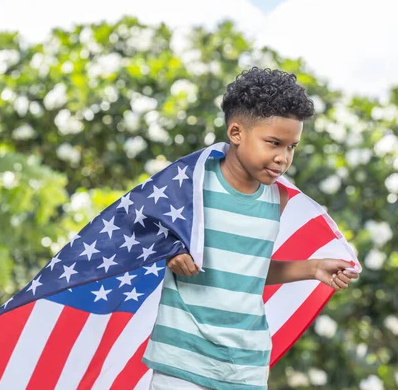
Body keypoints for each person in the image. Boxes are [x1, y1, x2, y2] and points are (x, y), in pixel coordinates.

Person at [143, 67, 359, 389]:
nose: (282, 158)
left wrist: (313, 268)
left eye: (291, 147)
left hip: (246, 368)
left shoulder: (278, 199)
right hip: (182, 361)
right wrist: (170, 252)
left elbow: (247, 270)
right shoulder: (191, 183)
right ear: (236, 133)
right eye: (273, 143)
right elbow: (141, 231)